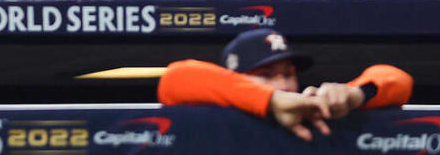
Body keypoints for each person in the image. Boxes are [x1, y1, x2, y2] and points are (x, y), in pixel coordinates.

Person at [158, 28, 414, 140]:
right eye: (267, 74)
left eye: (288, 73)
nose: (283, 84)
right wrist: (271, 100)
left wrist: (353, 94)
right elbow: (175, 78)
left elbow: (398, 80)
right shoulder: (217, 116)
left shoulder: (313, 112)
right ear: (233, 78)